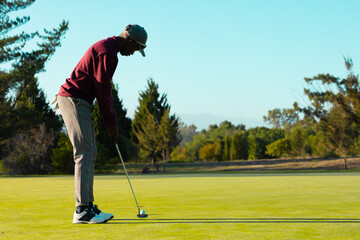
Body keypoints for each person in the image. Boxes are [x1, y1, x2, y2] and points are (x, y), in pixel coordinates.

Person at [53, 24, 148, 224]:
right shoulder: (108, 53)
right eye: (136, 48)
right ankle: (81, 210)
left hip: (80, 101)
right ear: (130, 41)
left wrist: (109, 121)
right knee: (84, 152)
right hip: (75, 100)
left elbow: (100, 90)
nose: (133, 53)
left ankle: (88, 206)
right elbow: (103, 90)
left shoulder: (108, 48)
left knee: (90, 151)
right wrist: (111, 122)